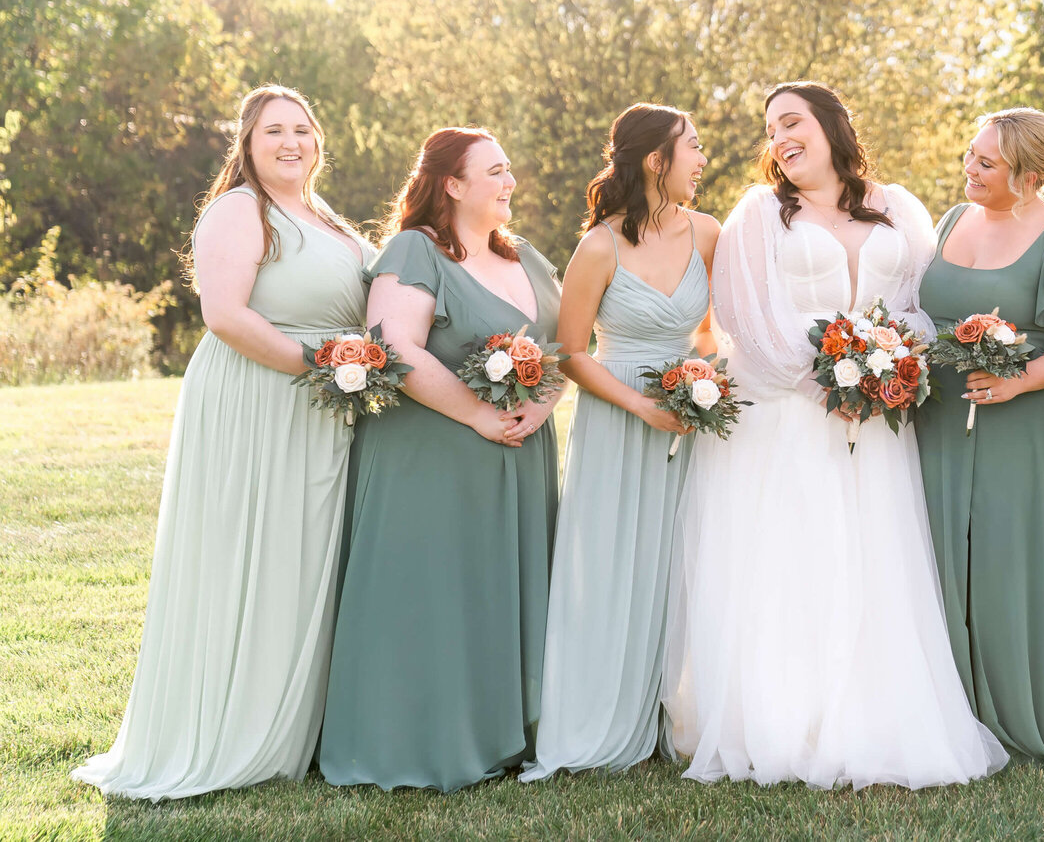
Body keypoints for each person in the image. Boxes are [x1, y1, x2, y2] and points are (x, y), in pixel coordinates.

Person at [663, 81, 1007, 789]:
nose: (780, 137)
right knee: (794, 564)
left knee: (873, 564)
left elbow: (920, 308)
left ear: (832, 125)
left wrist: (889, 366)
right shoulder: (760, 215)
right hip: (789, 420)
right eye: (771, 129)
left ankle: (877, 719)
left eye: (793, 121)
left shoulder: (899, 208)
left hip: (877, 423)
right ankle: (789, 722)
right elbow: (747, 322)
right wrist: (831, 381)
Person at [73, 85, 371, 800]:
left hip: (323, 407)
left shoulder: (322, 214)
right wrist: (319, 364)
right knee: (254, 555)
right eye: (274, 130)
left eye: (303, 128)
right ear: (246, 143)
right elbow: (225, 314)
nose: (291, 141)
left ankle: (296, 720)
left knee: (303, 560)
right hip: (259, 400)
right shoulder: (238, 211)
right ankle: (235, 727)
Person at [319, 128, 562, 792]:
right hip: (431, 453)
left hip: (517, 454)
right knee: (434, 593)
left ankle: (504, 733)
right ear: (451, 184)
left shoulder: (533, 261)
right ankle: (416, 740)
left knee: (495, 588)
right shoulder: (414, 250)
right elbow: (396, 346)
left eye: (509, 170)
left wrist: (538, 407)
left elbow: (566, 349)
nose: (509, 182)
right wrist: (481, 414)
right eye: (495, 171)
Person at [521, 104, 718, 779]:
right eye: (692, 147)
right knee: (607, 560)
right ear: (657, 160)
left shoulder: (711, 233)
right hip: (618, 413)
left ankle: (675, 711)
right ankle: (601, 713)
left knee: (681, 560)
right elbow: (572, 352)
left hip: (688, 414)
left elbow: (718, 336)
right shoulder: (598, 245)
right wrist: (642, 404)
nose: (701, 159)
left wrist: (702, 386)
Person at [916, 108, 1044, 767]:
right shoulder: (951, 219)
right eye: (970, 156)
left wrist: (1019, 380)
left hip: (1022, 420)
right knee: (940, 556)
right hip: (938, 417)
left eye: (986, 163)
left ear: (1028, 175)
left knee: (1006, 562)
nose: (969, 170)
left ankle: (1016, 709)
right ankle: (948, 707)